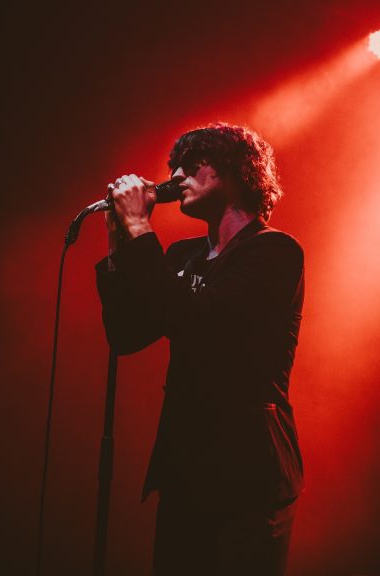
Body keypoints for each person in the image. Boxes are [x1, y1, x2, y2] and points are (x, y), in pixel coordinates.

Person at [95, 123, 304, 575]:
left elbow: (200, 321)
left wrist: (139, 224)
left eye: (190, 165)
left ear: (232, 170)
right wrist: (119, 241)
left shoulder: (275, 252)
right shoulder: (182, 255)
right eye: (173, 167)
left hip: (246, 477)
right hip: (184, 470)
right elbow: (127, 333)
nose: (174, 176)